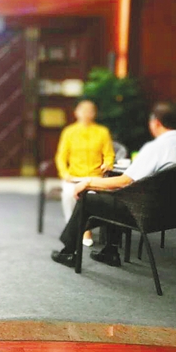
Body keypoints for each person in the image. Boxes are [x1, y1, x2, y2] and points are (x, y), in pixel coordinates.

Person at [51, 102, 176, 268]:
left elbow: (124, 180)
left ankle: (68, 251)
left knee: (90, 199)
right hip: (172, 213)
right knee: (116, 196)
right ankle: (109, 251)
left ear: (156, 123)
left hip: (144, 212)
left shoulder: (155, 148)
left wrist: (88, 183)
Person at [54, 100, 115, 246]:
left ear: (94, 114)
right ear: (76, 112)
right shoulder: (69, 132)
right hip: (74, 176)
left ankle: (86, 230)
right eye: (83, 110)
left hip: (94, 177)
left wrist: (108, 163)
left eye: (90, 110)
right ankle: (72, 228)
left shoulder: (102, 132)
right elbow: (61, 156)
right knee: (68, 195)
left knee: (90, 198)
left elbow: (109, 154)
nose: (86, 113)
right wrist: (64, 173)